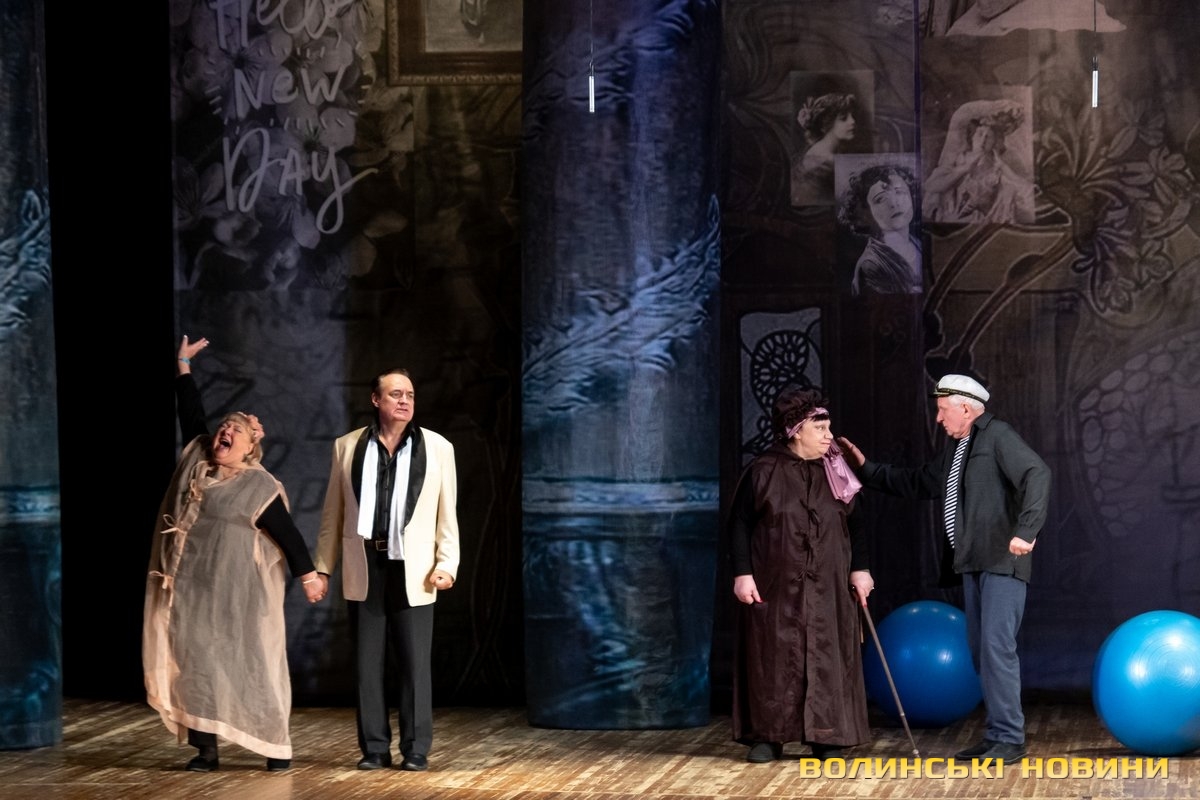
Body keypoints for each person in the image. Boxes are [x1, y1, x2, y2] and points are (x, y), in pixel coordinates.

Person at [837, 374, 1051, 764]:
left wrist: (1027, 530)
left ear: (965, 409)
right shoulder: (958, 448)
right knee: (980, 651)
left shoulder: (997, 435)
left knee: (996, 647)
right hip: (974, 563)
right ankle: (997, 734)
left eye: (942, 410)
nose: (938, 418)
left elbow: (1037, 473)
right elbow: (920, 482)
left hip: (1002, 561)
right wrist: (866, 468)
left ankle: (1010, 738)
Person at [143, 335, 323, 773]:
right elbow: (191, 413)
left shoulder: (258, 485)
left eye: (236, 431)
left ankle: (275, 746)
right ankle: (206, 750)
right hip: (191, 593)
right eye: (224, 426)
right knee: (196, 666)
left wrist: (309, 576)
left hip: (237, 597)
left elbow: (288, 535)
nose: (225, 432)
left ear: (250, 447)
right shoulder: (197, 461)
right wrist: (183, 365)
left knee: (252, 665)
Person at [313, 368, 460, 772]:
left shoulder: (438, 447)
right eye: (395, 394)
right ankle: (375, 748)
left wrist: (447, 563)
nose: (404, 400)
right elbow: (332, 514)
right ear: (376, 400)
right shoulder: (347, 446)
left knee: (415, 663)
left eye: (409, 394)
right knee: (367, 664)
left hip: (414, 567)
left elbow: (447, 514)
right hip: (366, 563)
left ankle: (415, 748)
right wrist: (322, 568)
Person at [728, 387, 873, 763]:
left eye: (828, 427)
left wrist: (860, 569)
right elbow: (739, 524)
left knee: (827, 654)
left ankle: (827, 736)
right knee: (774, 656)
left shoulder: (836, 468)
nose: (829, 435)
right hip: (775, 584)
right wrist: (743, 573)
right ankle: (768, 736)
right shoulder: (764, 470)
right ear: (795, 431)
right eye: (820, 428)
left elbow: (857, 524)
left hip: (829, 583)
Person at [923, 99, 1034, 224]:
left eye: (988, 137)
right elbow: (931, 186)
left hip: (982, 223)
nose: (983, 140)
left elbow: (1024, 189)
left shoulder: (996, 166)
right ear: (973, 137)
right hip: (952, 222)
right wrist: (964, 169)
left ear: (994, 142)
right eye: (980, 134)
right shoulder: (960, 159)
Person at [838, 163, 923, 295]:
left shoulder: (919, 243)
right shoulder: (870, 266)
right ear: (864, 213)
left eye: (900, 192)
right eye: (880, 199)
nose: (894, 203)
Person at [791, 93, 858, 206]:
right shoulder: (824, 161)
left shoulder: (824, 149)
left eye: (852, 115)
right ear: (826, 124)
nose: (853, 121)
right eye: (843, 118)